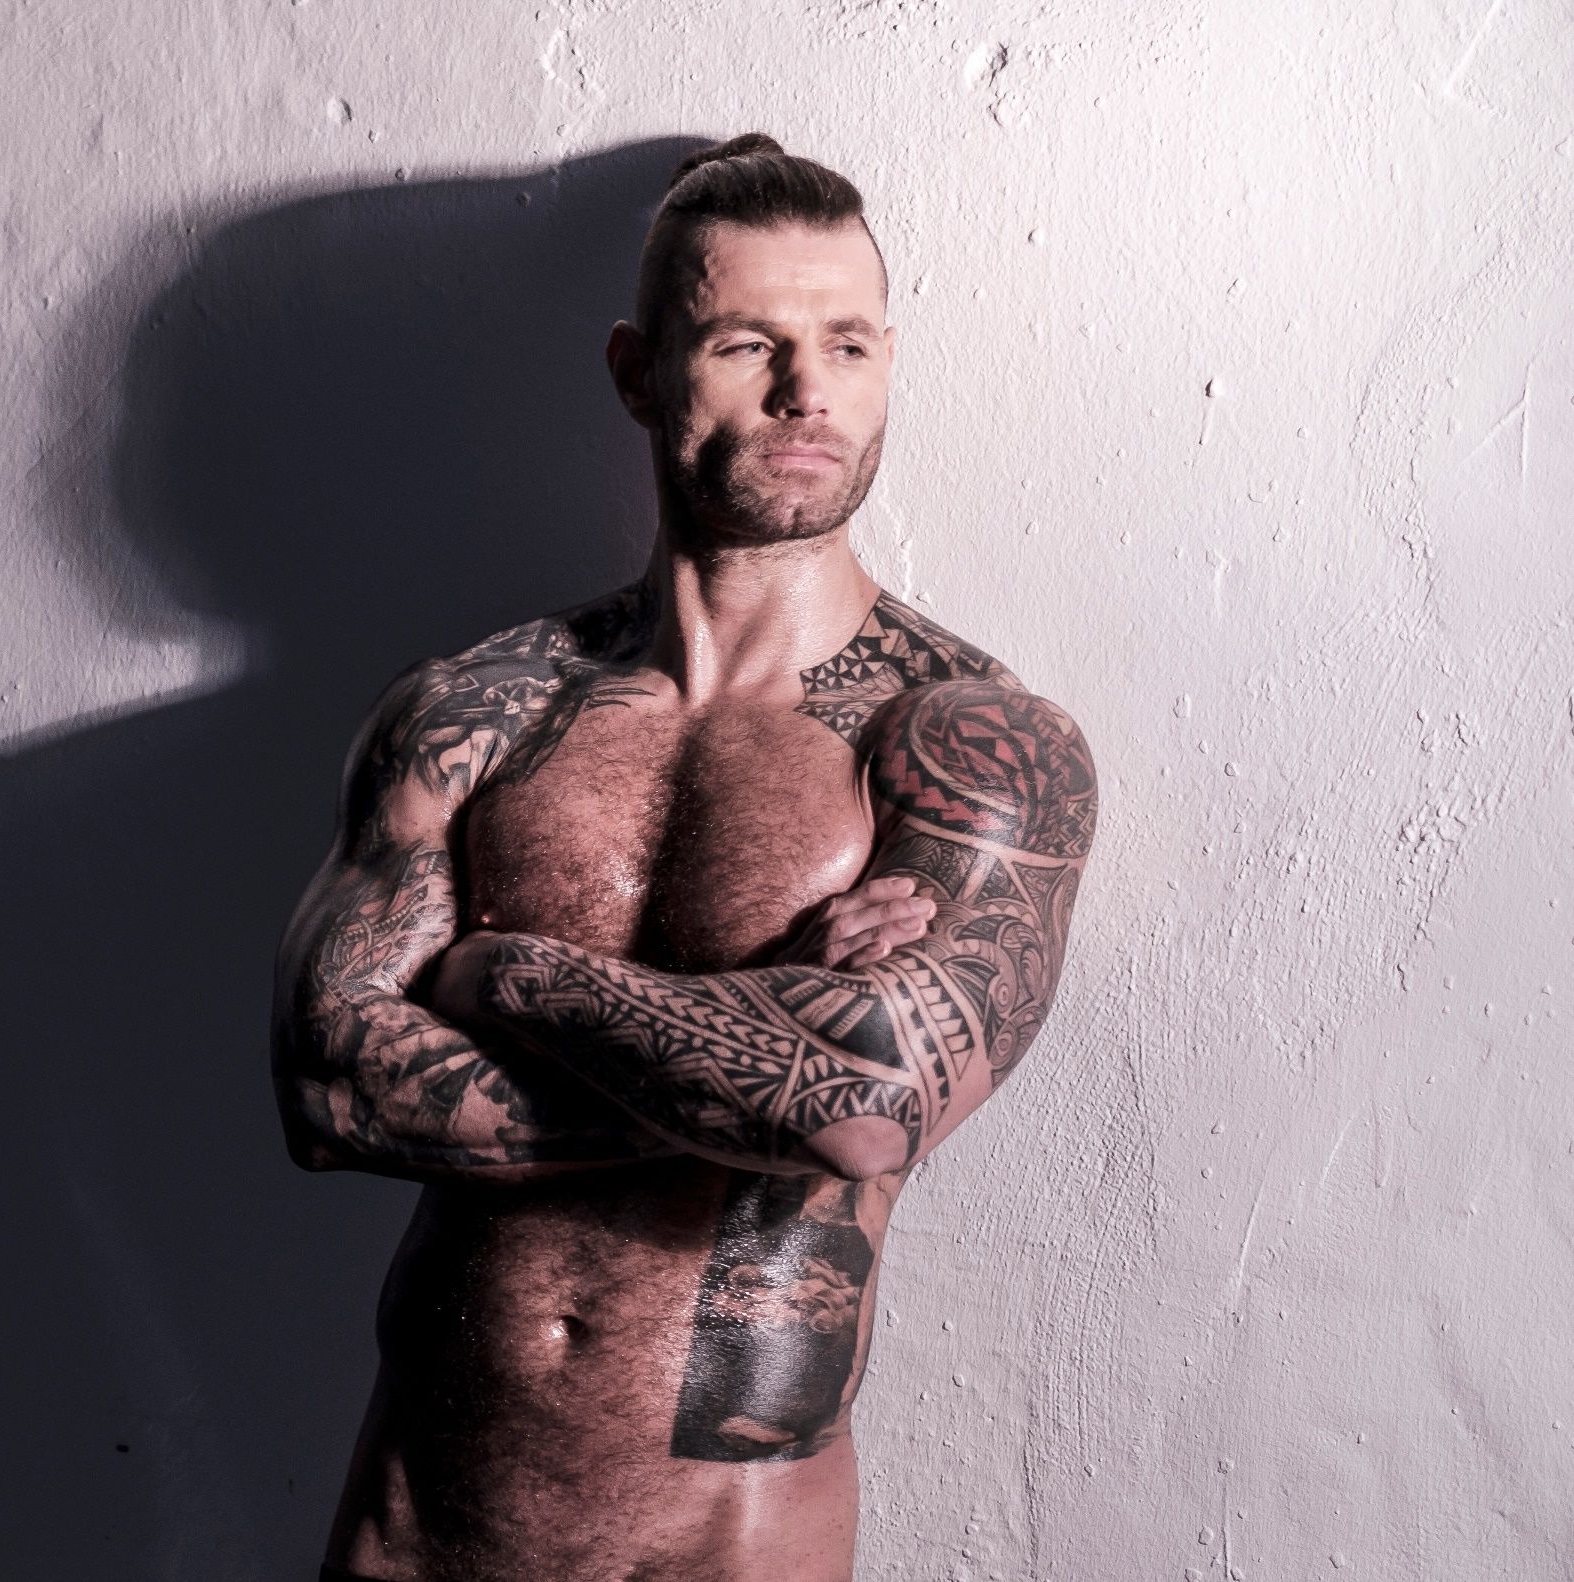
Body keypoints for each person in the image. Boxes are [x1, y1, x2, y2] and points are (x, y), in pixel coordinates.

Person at [271, 134, 1099, 1582]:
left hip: (724, 1536)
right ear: (639, 373)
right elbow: (331, 1082)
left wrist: (502, 975)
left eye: (847, 344)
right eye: (747, 344)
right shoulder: (480, 709)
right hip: (421, 1517)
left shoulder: (963, 739)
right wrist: (762, 1057)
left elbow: (869, 1104)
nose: (805, 390)